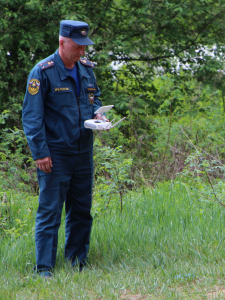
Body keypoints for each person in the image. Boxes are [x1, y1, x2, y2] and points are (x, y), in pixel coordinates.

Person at [22, 20, 107, 278]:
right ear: (62, 42)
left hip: (83, 152)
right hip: (55, 154)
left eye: (85, 46)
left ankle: (77, 262)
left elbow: (95, 98)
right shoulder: (43, 72)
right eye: (78, 46)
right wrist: (40, 152)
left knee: (81, 210)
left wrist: (100, 116)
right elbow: (31, 117)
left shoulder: (86, 69)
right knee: (50, 212)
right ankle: (44, 269)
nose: (82, 51)